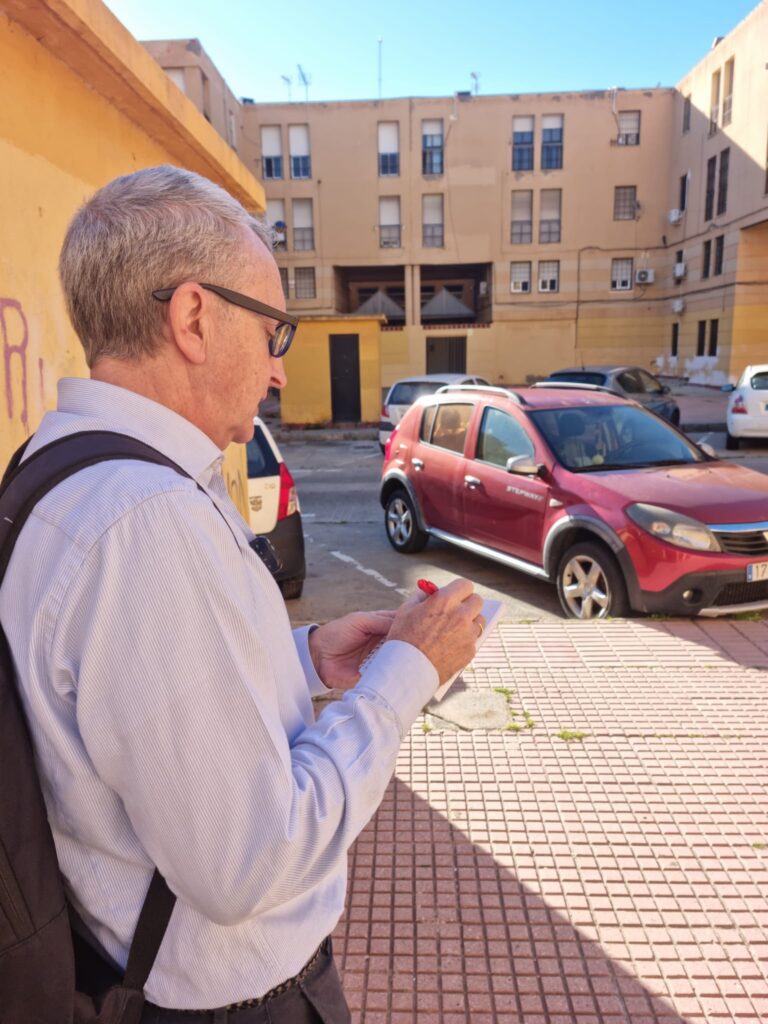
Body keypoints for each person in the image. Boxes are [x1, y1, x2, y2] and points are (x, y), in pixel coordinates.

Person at [0, 166, 484, 1021]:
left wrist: (301, 659)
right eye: (273, 332)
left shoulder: (57, 466)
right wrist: (406, 675)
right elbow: (252, 861)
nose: (276, 372)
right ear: (193, 318)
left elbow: (128, 710)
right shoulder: (142, 523)